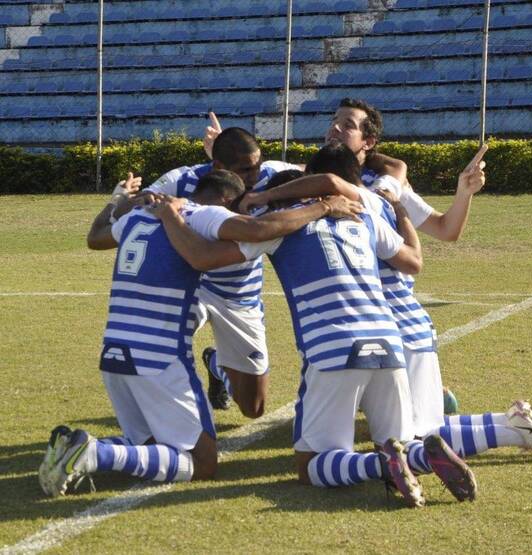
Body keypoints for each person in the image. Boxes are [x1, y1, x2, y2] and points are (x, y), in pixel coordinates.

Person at [154, 158, 479, 507]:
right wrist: (398, 209)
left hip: (333, 348)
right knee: (399, 441)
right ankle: (420, 458)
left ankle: (380, 463)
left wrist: (173, 217)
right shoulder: (364, 215)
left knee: (311, 465)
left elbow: (204, 257)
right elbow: (413, 258)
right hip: (389, 344)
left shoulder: (280, 228)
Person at [38, 170, 362, 497]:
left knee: (150, 445)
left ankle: (74, 447)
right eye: (237, 206)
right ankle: (96, 453)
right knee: (203, 463)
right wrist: (323, 208)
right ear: (225, 201)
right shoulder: (200, 214)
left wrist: (117, 201)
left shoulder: (138, 215)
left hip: (114, 355)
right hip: (160, 358)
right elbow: (258, 229)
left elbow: (96, 237)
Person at [238, 144, 532, 462]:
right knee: (422, 428)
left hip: (387, 327)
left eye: (345, 126)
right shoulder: (384, 192)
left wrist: (266, 196)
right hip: (411, 321)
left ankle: (508, 428)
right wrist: (403, 210)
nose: (335, 131)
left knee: (418, 436)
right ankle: (508, 421)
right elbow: (414, 245)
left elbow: (329, 182)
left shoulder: (357, 200)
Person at [143, 126, 301, 412]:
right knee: (157, 337)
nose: (254, 178)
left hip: (240, 296)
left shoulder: (270, 175)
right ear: (218, 166)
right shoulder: (184, 179)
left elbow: (316, 172)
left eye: (257, 167)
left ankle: (216, 365)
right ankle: (159, 406)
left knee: (253, 408)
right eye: (245, 170)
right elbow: (142, 201)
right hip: (193, 287)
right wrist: (164, 204)